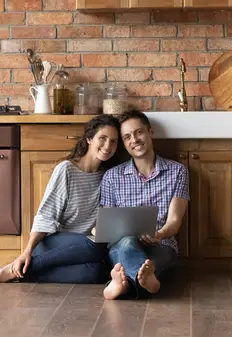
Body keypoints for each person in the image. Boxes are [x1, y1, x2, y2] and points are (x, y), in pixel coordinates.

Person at [0, 114, 121, 284]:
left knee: (98, 273)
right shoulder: (66, 170)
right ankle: (17, 266)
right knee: (96, 247)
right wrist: (27, 251)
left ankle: (24, 273)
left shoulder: (108, 176)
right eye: (102, 138)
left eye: (114, 141)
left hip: (84, 248)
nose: (108, 145)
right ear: (89, 139)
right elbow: (46, 215)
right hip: (55, 244)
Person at [99, 109, 189, 300]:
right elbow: (109, 226)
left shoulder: (178, 172)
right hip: (123, 244)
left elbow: (174, 220)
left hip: (162, 244)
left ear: (150, 132)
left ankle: (119, 285)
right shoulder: (111, 177)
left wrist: (159, 234)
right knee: (128, 245)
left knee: (153, 260)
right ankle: (149, 284)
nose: (135, 140)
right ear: (124, 143)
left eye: (139, 132)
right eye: (127, 137)